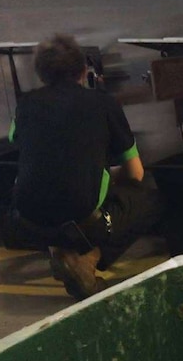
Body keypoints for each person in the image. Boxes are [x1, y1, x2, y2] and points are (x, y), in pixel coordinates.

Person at [9, 33, 165, 300]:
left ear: (40, 74)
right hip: (80, 220)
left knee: (65, 195)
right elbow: (136, 173)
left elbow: (21, 144)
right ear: (84, 70)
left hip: (26, 221)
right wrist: (110, 174)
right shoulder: (102, 103)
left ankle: (60, 250)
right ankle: (89, 259)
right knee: (149, 200)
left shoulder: (25, 105)